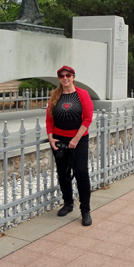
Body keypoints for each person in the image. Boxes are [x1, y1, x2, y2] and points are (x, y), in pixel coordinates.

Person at [46, 65, 93, 226]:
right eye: (62, 76)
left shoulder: (82, 94)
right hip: (59, 141)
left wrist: (75, 139)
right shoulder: (55, 96)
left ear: (73, 77)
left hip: (78, 140)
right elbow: (49, 120)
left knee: (81, 173)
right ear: (59, 78)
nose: (65, 78)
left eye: (68, 75)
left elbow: (87, 119)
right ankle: (68, 203)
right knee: (63, 173)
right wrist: (51, 139)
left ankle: (85, 210)